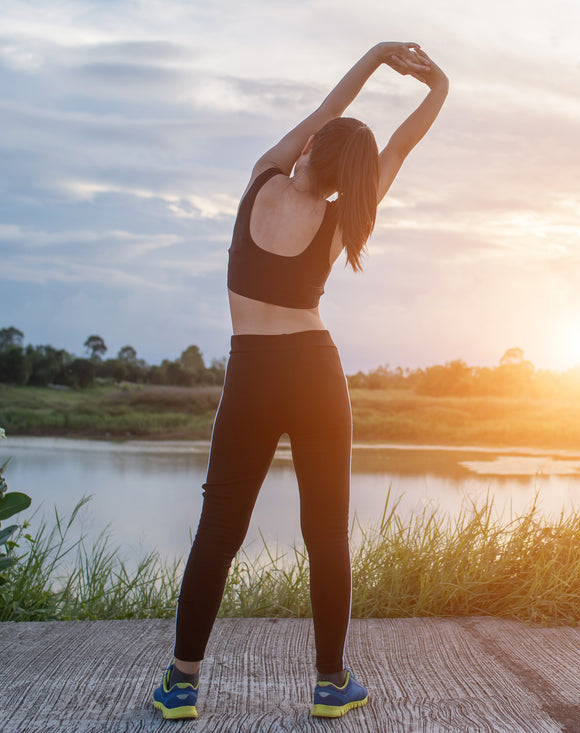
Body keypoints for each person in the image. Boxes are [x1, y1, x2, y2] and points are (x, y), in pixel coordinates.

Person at [151, 41, 448, 720]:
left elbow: (328, 109)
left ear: (311, 147)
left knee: (217, 530)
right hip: (315, 371)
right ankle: (329, 680)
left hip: (251, 371)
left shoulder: (262, 178)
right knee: (325, 531)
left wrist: (376, 59)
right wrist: (439, 91)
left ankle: (181, 682)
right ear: (354, 180)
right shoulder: (346, 213)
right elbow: (397, 148)